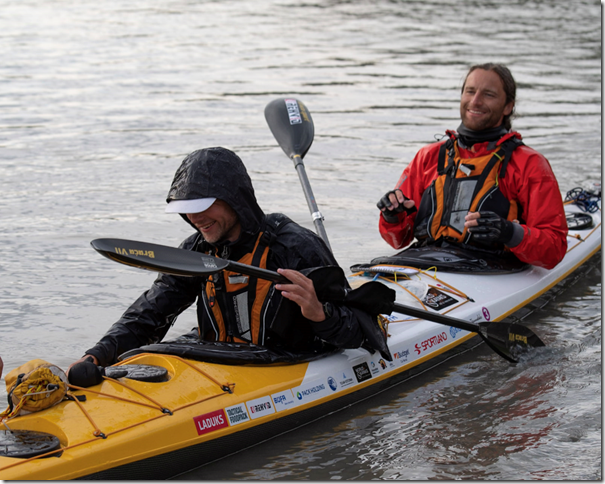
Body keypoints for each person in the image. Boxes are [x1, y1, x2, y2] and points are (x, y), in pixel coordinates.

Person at [70, 147, 385, 373]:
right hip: (220, 359)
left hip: (288, 362)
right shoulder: (196, 251)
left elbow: (363, 331)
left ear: (235, 198)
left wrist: (320, 314)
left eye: (204, 205)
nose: (195, 217)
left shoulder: (296, 247)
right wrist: (99, 353)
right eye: (187, 209)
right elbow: (152, 311)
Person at [377, 63, 567, 270]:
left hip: (493, 270)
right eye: (470, 91)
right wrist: (392, 215)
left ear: (508, 106)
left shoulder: (529, 163)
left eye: (488, 94)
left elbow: (554, 249)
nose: (476, 101)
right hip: (425, 259)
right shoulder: (428, 156)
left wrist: (510, 233)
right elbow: (398, 240)